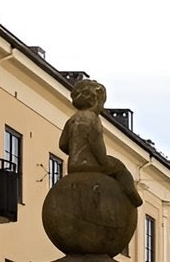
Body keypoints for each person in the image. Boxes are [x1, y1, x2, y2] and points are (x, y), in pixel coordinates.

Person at [59, 78, 142, 207]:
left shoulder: (71, 120)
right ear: (95, 101)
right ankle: (132, 194)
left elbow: (62, 144)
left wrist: (75, 152)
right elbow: (95, 142)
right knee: (120, 167)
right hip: (91, 165)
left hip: (73, 166)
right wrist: (104, 161)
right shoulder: (93, 119)